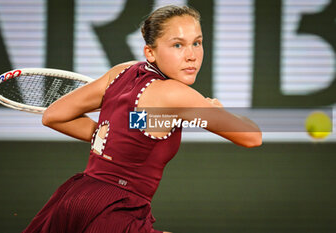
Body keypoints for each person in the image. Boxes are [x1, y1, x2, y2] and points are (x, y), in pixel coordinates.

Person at [23, 5, 262, 233]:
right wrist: (218, 110)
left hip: (76, 198)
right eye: (178, 45)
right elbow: (252, 137)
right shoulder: (176, 95)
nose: (192, 56)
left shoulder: (121, 73)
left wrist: (111, 137)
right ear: (150, 51)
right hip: (115, 212)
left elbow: (54, 116)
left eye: (197, 43)